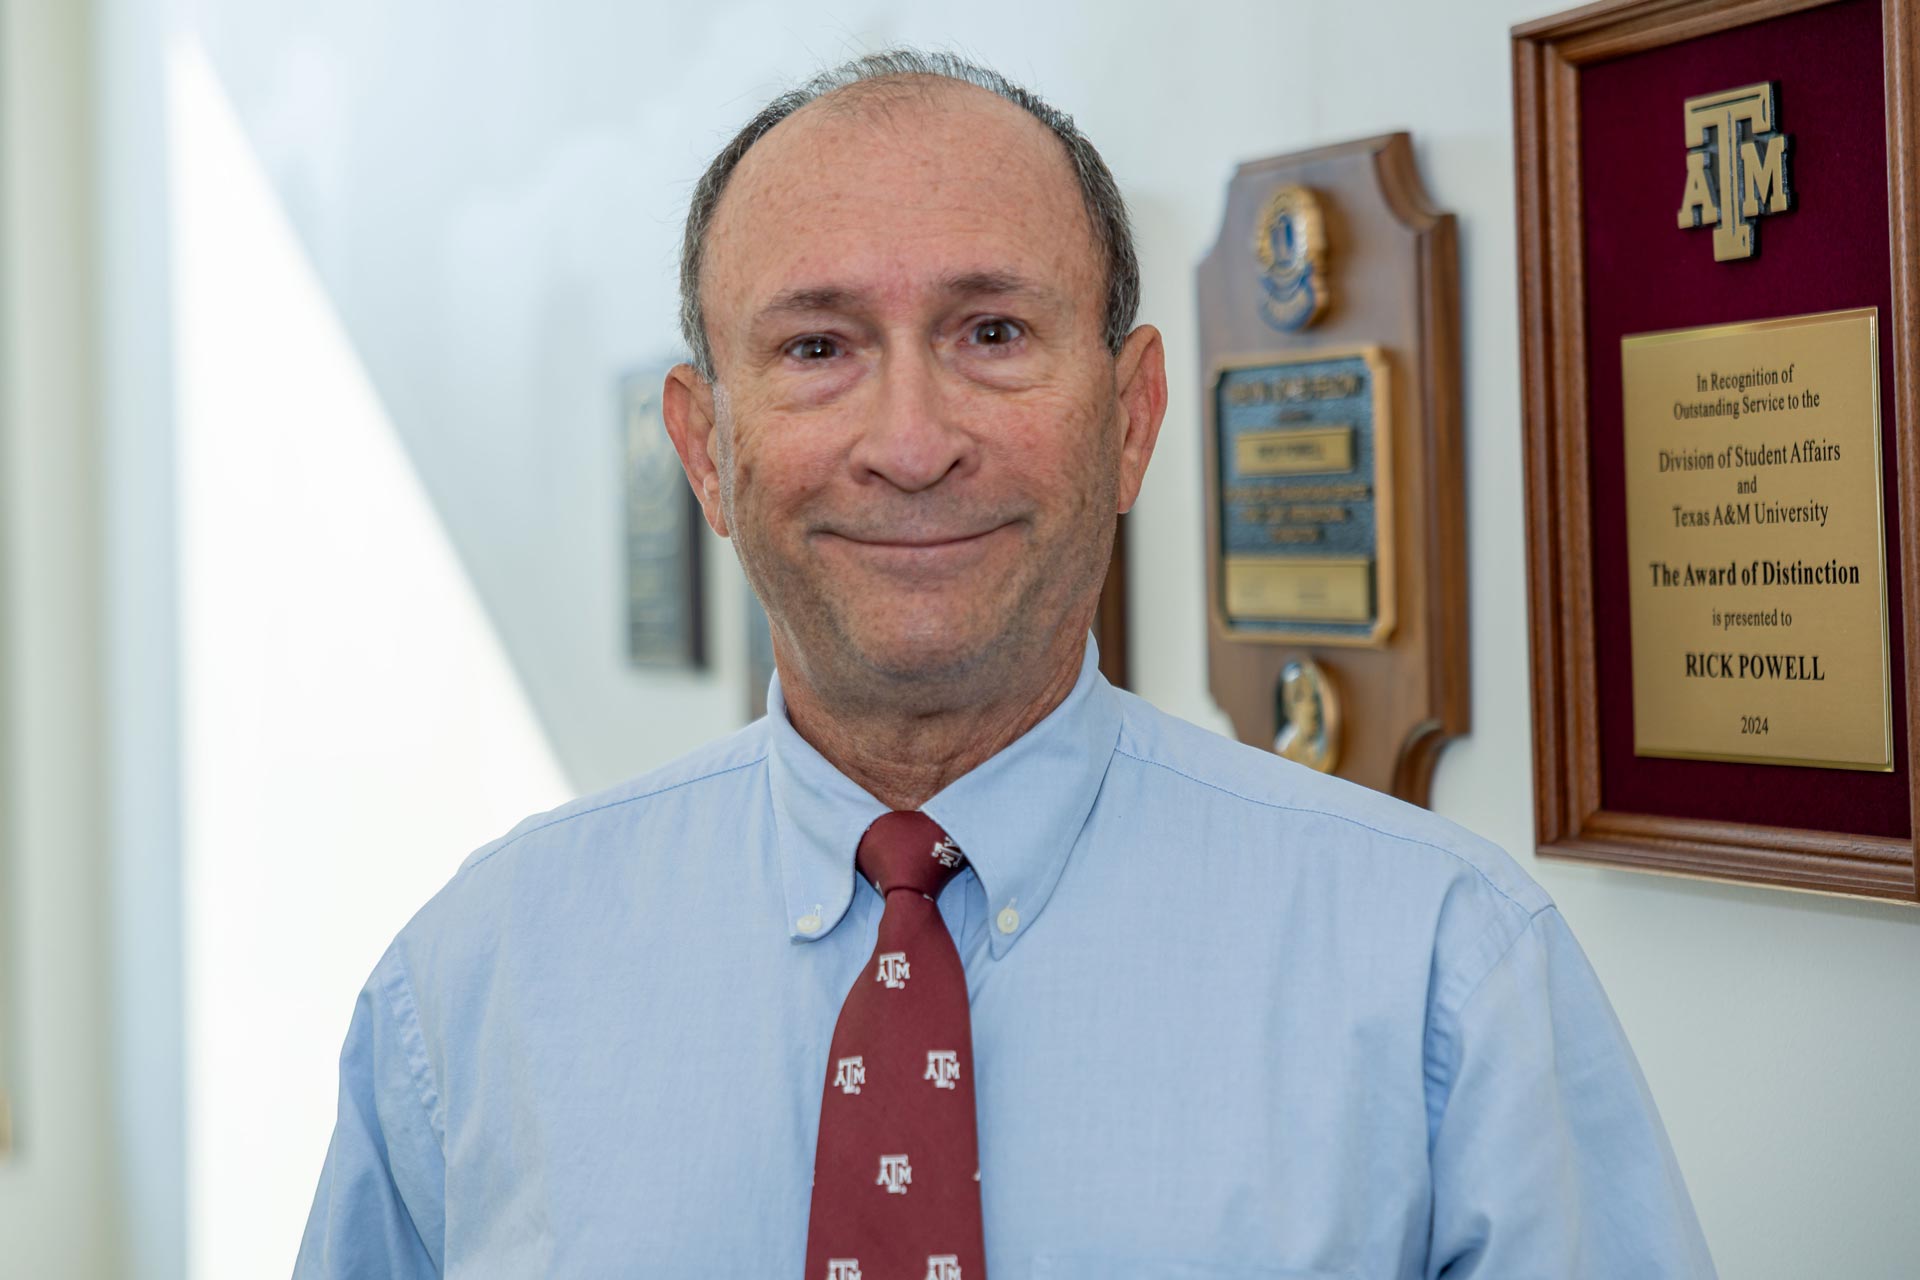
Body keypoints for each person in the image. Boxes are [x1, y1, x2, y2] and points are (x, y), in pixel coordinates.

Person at [295, 49, 1715, 1278]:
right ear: (702, 449)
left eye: (992, 333)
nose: (911, 442)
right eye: (816, 347)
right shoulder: (474, 985)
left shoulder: (1439, 973)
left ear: (1135, 417)